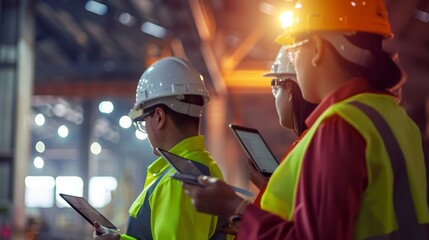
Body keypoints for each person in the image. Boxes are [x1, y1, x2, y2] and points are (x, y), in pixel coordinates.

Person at [183, 0, 429, 239]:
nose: (294, 62)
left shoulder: (339, 126)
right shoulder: (397, 119)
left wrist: (234, 208)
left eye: (293, 49)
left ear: (317, 49)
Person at [93, 57, 229, 240]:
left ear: (158, 117)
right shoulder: (204, 166)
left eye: (143, 120)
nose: (145, 129)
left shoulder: (177, 181)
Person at [248, 46, 317, 206]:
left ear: (290, 88)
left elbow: (288, 217)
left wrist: (267, 188)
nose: (274, 94)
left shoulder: (306, 147)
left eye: (274, 84)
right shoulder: (317, 138)